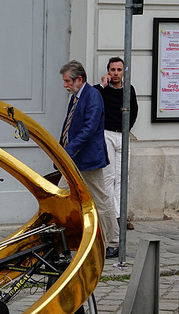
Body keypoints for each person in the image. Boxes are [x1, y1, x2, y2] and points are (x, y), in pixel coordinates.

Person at [59, 60, 120, 259]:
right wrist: (60, 150)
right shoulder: (75, 97)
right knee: (62, 196)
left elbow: (89, 128)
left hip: (88, 159)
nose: (65, 85)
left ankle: (113, 241)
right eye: (65, 81)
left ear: (79, 79)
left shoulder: (92, 96)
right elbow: (69, 126)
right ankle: (66, 238)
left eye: (68, 81)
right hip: (73, 158)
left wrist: (68, 151)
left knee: (101, 200)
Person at [94, 57, 138, 231]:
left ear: (124, 72)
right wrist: (102, 85)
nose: (116, 73)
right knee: (108, 176)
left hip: (123, 134)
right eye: (113, 70)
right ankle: (110, 216)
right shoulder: (102, 91)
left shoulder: (129, 90)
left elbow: (133, 111)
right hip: (107, 134)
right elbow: (91, 98)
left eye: (119, 70)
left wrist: (126, 128)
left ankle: (120, 215)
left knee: (122, 176)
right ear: (108, 71)